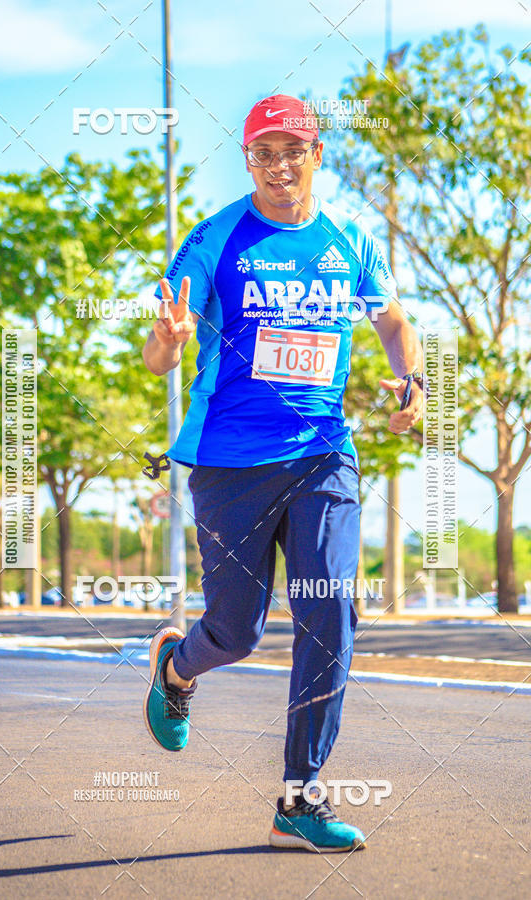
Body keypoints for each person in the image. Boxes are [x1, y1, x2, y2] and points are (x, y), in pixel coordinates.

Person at [142, 94, 424, 852]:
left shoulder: (349, 241)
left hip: (324, 454)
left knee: (330, 609)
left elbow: (393, 321)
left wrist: (412, 380)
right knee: (235, 631)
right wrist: (168, 341)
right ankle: (178, 664)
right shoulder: (215, 240)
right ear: (248, 161)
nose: (279, 164)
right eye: (264, 152)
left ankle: (299, 799)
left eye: (292, 149)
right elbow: (162, 344)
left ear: (317, 154)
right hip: (230, 465)